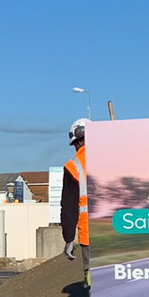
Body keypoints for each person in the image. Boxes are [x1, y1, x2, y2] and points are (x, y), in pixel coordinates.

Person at [61, 118, 89, 280]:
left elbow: (69, 208)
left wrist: (69, 238)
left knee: (96, 286)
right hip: (120, 231)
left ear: (77, 141)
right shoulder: (113, 157)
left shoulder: (73, 166)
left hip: (90, 235)